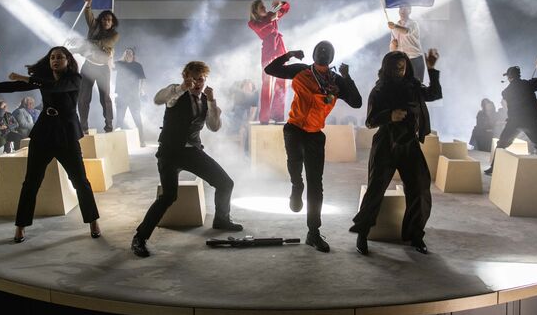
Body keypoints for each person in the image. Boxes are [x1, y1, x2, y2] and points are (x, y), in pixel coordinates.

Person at [0, 46, 101, 243]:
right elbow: (13, 86)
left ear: (68, 61)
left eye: (60, 57)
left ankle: (93, 221)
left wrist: (25, 78)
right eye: (52, 57)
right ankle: (20, 226)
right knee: (31, 183)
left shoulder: (74, 78)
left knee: (80, 181)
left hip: (66, 136)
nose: (55, 60)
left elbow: (55, 87)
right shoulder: (43, 78)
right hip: (43, 134)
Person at [131, 61, 242, 258]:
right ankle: (139, 238)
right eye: (193, 78)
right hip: (170, 152)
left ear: (205, 80)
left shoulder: (206, 100)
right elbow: (157, 99)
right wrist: (182, 87)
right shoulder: (176, 93)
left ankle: (221, 219)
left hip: (192, 152)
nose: (197, 83)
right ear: (186, 77)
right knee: (168, 196)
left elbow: (214, 127)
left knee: (225, 183)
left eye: (201, 79)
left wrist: (212, 101)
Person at [264, 41, 362, 253]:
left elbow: (357, 102)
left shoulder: (336, 80)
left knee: (316, 184)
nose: (323, 53)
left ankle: (313, 233)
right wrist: (288, 54)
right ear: (314, 54)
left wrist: (347, 78)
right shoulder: (301, 70)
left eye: (327, 51)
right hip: (294, 128)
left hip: (315, 134)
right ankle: (296, 186)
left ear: (332, 58)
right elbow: (270, 70)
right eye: (320, 50)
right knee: (295, 164)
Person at [350, 49, 442, 255]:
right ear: (387, 69)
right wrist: (389, 116)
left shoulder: (413, 87)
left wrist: (432, 69)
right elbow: (370, 121)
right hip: (386, 144)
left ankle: (415, 235)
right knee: (375, 190)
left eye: (403, 67)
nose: (400, 71)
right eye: (396, 68)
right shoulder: (379, 90)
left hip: (409, 144)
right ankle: (362, 234)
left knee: (420, 188)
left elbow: (434, 94)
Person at [484, 61, 537, 175]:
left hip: (514, 122)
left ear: (509, 77)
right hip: (530, 121)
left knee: (502, 144)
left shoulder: (506, 92)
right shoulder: (528, 84)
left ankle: (494, 167)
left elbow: (508, 98)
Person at [76, 0, 120, 133]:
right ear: (101, 20)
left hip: (103, 69)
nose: (106, 22)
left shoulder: (114, 35)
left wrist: (86, 43)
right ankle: (83, 127)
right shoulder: (94, 26)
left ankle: (109, 126)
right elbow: (89, 16)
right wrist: (88, 5)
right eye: (104, 19)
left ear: (112, 23)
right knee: (83, 98)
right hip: (88, 66)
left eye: (109, 20)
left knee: (105, 98)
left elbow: (104, 43)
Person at [248, 0, 290, 124]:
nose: (265, 8)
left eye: (264, 6)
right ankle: (264, 118)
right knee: (267, 86)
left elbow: (285, 9)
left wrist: (281, 4)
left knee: (282, 84)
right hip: (268, 53)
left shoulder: (271, 15)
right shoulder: (253, 23)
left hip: (280, 50)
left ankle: (277, 116)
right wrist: (272, 17)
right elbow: (261, 26)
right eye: (261, 7)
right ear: (255, 11)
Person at [114, 47, 146, 146]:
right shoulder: (119, 64)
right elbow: (110, 66)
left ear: (133, 55)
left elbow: (142, 79)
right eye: (126, 53)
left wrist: (141, 90)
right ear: (124, 54)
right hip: (121, 95)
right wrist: (111, 56)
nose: (128, 54)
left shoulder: (137, 66)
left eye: (130, 53)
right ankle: (116, 143)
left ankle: (142, 141)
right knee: (119, 120)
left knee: (137, 119)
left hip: (133, 96)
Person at [387, 5, 425, 82]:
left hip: (415, 60)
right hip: (401, 61)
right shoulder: (395, 26)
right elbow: (392, 49)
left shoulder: (413, 24)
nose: (402, 11)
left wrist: (395, 26)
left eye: (405, 9)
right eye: (401, 9)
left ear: (410, 11)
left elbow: (406, 31)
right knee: (402, 86)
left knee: (416, 86)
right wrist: (393, 45)